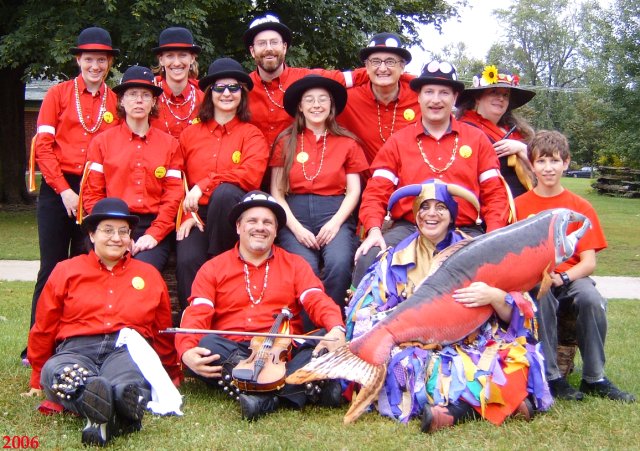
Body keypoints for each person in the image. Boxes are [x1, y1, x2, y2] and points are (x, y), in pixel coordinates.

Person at [347, 179, 551, 431]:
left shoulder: (481, 252)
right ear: (415, 214)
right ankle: (492, 405)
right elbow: (367, 309)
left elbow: (521, 313)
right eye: (424, 207)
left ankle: (453, 413)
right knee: (408, 365)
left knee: (513, 356)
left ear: (451, 215)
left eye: (440, 207)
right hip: (415, 344)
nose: (431, 214)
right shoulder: (394, 258)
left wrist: (494, 296)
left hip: (474, 342)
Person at [23, 198, 182, 447]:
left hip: (126, 349)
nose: (116, 238)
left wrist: (171, 372)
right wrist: (36, 376)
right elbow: (45, 325)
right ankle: (109, 404)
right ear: (92, 234)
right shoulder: (66, 271)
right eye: (108, 230)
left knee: (132, 379)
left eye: (123, 232)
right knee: (57, 373)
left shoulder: (148, 275)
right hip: (76, 349)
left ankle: (107, 399)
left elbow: (161, 329)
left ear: (130, 237)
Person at [176, 191, 347, 421]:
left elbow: (317, 300)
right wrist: (186, 351)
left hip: (283, 351)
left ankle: (263, 398)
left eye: (268, 222)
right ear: (238, 227)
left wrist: (336, 327)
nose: (260, 227)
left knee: (324, 338)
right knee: (208, 344)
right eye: (252, 221)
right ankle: (298, 388)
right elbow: (197, 313)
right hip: (234, 351)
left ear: (276, 231)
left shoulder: (295, 264)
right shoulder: (213, 268)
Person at [353, 60, 509, 285]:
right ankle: (363, 320)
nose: (436, 100)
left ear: (455, 98)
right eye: (429, 92)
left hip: (463, 228)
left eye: (444, 93)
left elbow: (495, 194)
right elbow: (376, 191)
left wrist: (493, 234)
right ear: (418, 97)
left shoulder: (477, 140)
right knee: (369, 257)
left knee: (497, 269)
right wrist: (374, 230)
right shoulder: (399, 141)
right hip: (409, 227)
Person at [515, 130, 635, 403]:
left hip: (570, 277)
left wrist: (564, 277)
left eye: (555, 161)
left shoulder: (580, 206)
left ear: (566, 163)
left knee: (591, 298)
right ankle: (552, 376)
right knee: (540, 295)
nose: (548, 168)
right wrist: (542, 276)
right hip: (533, 278)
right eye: (541, 161)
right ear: (532, 165)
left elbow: (589, 262)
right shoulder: (520, 207)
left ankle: (595, 377)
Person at [24, 27, 120, 362]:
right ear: (79, 59)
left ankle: (78, 338)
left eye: (102, 60)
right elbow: (44, 148)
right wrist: (64, 191)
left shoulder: (116, 100)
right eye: (89, 59)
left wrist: (90, 194)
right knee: (51, 266)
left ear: (109, 63)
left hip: (95, 187)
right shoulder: (58, 94)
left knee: (87, 263)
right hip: (57, 188)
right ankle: (36, 344)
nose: (96, 65)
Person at [177, 57, 269, 311]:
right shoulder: (189, 134)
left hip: (232, 216)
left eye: (233, 87)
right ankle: (191, 323)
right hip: (197, 214)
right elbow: (176, 178)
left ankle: (218, 265)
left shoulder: (251, 134)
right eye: (219, 88)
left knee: (225, 192)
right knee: (187, 258)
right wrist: (184, 214)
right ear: (209, 93)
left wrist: (205, 183)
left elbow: (250, 175)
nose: (226, 93)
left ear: (242, 93)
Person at [270, 75, 368, 312]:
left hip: (335, 213)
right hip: (294, 215)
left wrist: (335, 224)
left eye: (322, 99)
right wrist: (295, 228)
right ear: (300, 107)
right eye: (309, 100)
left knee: (340, 262)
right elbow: (276, 191)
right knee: (305, 266)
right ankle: (307, 333)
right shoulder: (285, 141)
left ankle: (332, 325)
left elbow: (354, 191)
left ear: (331, 106)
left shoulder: (347, 142)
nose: (316, 105)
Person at [81, 66, 183, 272]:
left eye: (146, 95)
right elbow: (92, 194)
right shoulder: (102, 143)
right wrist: (114, 234)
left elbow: (173, 195)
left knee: (141, 270)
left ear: (154, 102)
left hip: (151, 225)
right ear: (121, 100)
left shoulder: (170, 145)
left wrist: (155, 233)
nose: (139, 100)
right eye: (132, 94)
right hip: (110, 222)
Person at [243, 13, 369, 147]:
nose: (269, 48)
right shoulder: (240, 88)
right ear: (252, 51)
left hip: (298, 163)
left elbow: (357, 76)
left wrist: (389, 71)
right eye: (261, 43)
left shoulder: (307, 80)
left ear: (284, 47)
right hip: (253, 164)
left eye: (274, 42)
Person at [338, 32, 419, 167]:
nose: (382, 68)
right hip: (365, 185)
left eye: (390, 61)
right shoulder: (348, 99)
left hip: (410, 185)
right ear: (367, 66)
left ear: (402, 66)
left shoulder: (420, 99)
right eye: (375, 61)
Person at [456, 64, 536, 200]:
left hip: (525, 206)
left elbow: (544, 167)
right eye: (494, 92)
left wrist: (522, 149)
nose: (501, 98)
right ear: (478, 97)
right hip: (488, 206)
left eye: (505, 95)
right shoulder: (464, 130)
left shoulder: (517, 133)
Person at [151, 26, 205, 138]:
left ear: (192, 58)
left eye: (182, 55)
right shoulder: (149, 97)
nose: (176, 63)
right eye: (170, 56)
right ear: (161, 60)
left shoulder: (204, 100)